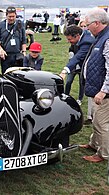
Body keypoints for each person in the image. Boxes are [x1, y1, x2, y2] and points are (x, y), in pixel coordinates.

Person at [79, 8, 109, 163]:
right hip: (97, 89)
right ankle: (94, 143)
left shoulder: (107, 39)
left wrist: (104, 91)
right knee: (97, 118)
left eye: (88, 24)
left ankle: (103, 154)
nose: (86, 27)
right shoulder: (100, 37)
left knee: (101, 123)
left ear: (97, 23)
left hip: (103, 93)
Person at [60, 25, 95, 105]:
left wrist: (65, 71)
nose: (68, 41)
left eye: (69, 39)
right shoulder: (84, 36)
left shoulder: (86, 41)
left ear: (77, 36)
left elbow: (78, 57)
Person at [0, 6, 27, 74]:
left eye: (13, 16)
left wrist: (24, 52)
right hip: (5, 55)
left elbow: (24, 40)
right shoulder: (0, 25)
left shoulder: (20, 24)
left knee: (19, 75)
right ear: (6, 16)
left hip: (17, 55)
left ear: (15, 15)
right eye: (9, 16)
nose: (11, 18)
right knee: (6, 75)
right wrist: (1, 50)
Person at [78, 20, 93, 125]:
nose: (85, 28)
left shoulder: (88, 40)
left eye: (86, 26)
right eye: (82, 26)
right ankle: (90, 116)